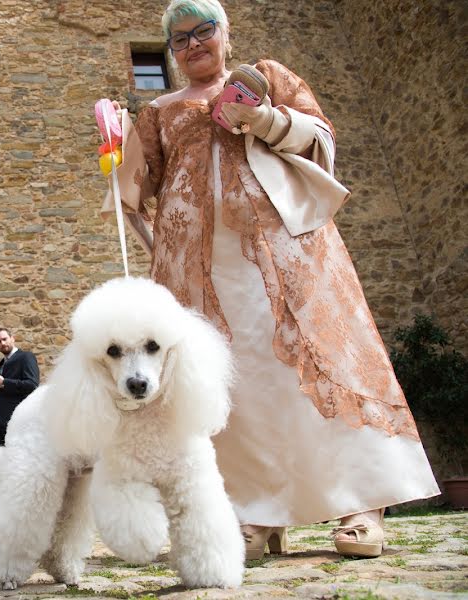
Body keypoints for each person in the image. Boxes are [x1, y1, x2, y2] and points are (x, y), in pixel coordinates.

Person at [103, 0, 439, 559]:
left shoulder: (265, 76)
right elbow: (135, 196)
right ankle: (256, 514)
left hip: (286, 251)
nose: (192, 45)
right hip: (199, 270)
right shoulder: (159, 111)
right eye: (179, 39)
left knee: (320, 360)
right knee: (235, 383)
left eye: (202, 31)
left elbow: (321, 139)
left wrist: (261, 118)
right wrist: (120, 164)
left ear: (225, 33)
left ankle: (361, 504)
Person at [0, 328, 40, 446]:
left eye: (4, 339)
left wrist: (4, 382)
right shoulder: (1, 365)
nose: (2, 343)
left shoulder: (26, 357)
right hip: (2, 425)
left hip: (20, 421)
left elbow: (32, 385)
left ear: (12, 338)